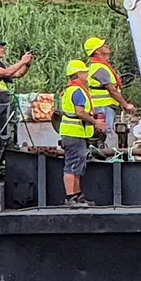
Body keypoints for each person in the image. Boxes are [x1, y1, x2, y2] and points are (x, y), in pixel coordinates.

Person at [57, 60, 101, 207]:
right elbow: (80, 112)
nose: (87, 74)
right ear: (78, 74)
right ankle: (71, 198)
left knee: (77, 165)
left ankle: (77, 196)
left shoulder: (72, 90)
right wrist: (95, 123)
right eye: (84, 72)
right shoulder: (77, 91)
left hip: (75, 134)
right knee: (72, 165)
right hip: (74, 134)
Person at [82, 37, 121, 150]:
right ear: (97, 51)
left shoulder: (99, 66)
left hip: (104, 106)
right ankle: (103, 154)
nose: (106, 46)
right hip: (103, 107)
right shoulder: (100, 69)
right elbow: (112, 90)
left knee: (103, 132)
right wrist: (125, 104)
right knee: (104, 132)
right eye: (103, 45)